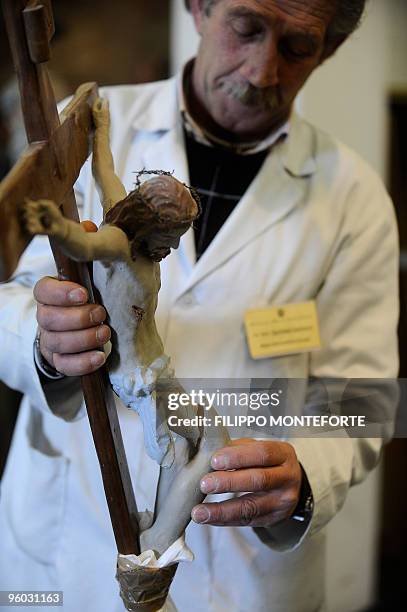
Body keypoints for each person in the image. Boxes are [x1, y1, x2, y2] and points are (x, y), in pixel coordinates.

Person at [0, 1, 399, 611]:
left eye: (297, 47)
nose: (262, 71)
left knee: (199, 446)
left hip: (241, 578)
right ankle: (149, 554)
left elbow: (362, 396)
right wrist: (45, 341)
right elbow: (10, 295)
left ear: (330, 50)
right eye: (246, 27)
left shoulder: (354, 196)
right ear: (200, 6)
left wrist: (307, 473)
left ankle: (157, 546)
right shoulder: (82, 132)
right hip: (65, 545)